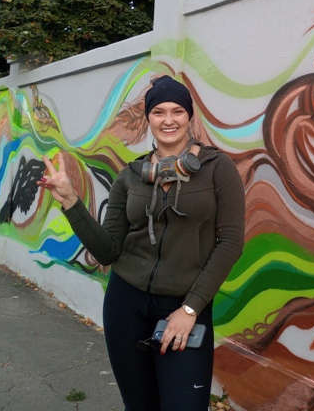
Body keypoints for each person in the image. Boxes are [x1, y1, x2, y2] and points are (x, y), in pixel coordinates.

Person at [39, 75, 245, 410]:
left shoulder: (217, 169)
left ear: (189, 116)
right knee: (139, 405)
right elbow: (108, 249)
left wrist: (191, 308)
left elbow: (231, 242)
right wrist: (71, 201)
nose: (168, 120)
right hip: (126, 303)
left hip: (184, 307)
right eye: (158, 112)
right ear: (148, 118)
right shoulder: (130, 176)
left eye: (177, 111)